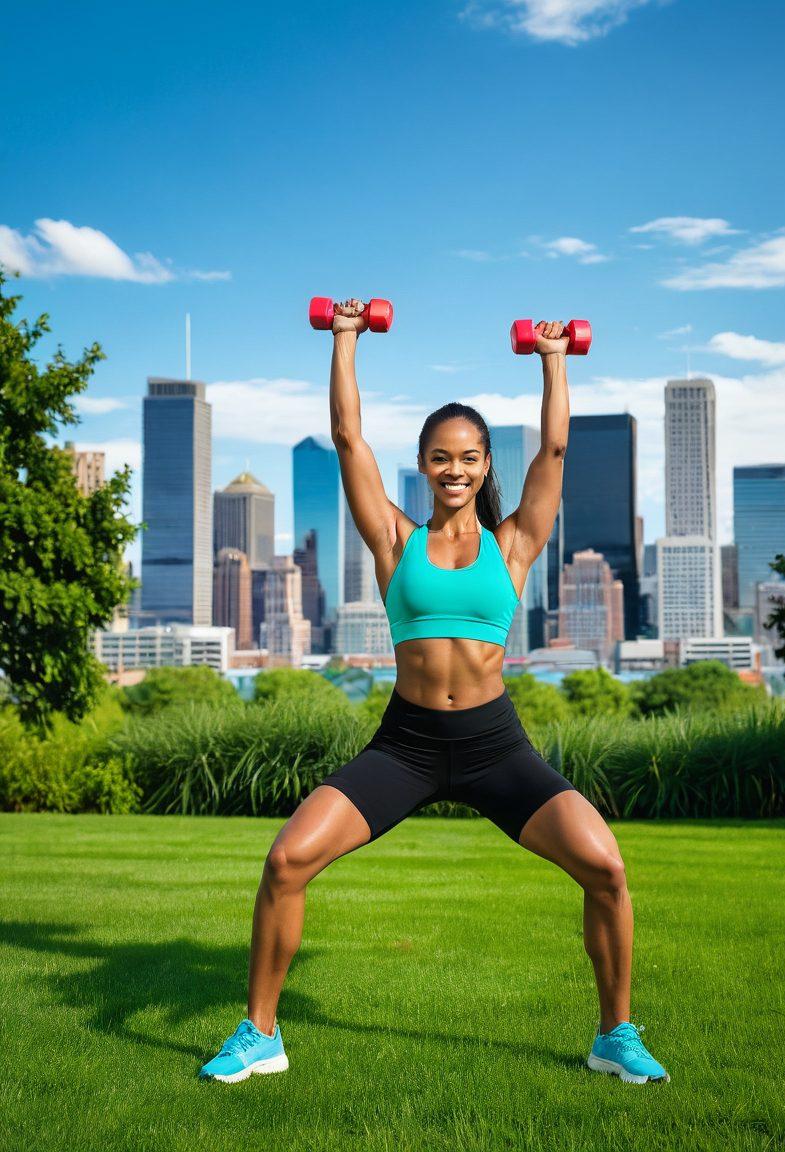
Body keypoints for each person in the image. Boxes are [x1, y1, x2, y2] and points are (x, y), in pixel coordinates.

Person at [199, 300, 669, 1086]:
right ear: (424, 464)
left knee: (607, 869)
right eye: (442, 457)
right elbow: (349, 438)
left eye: (471, 458)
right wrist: (346, 338)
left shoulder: (515, 544)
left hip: (494, 746)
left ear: (487, 466)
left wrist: (554, 358)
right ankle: (260, 1032)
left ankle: (615, 1033)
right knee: (286, 860)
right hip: (407, 746)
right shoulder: (393, 540)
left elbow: (554, 445)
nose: (456, 470)